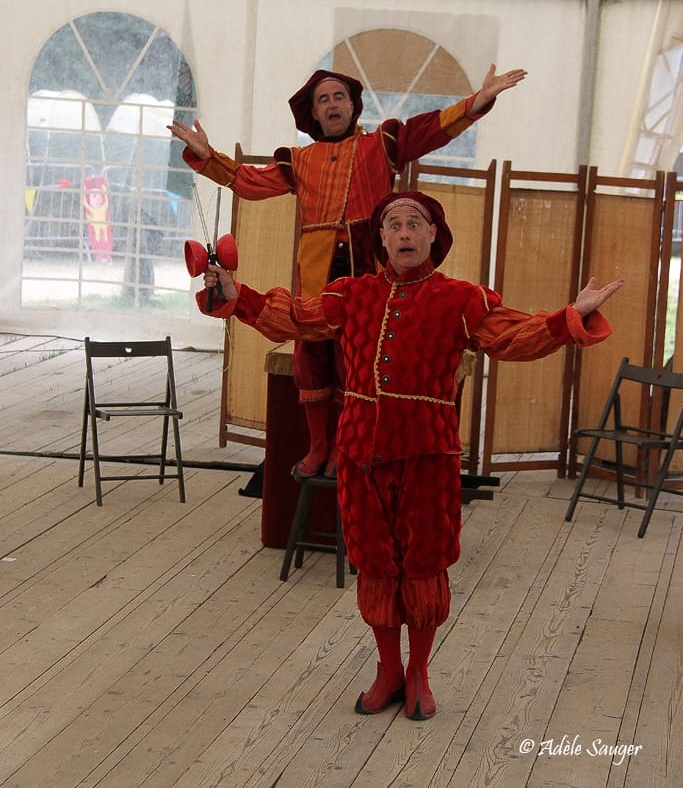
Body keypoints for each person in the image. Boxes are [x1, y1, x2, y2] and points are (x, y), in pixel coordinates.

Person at [194, 190, 623, 721]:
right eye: (393, 224)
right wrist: (237, 294)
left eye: (414, 223)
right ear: (380, 239)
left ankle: (419, 670)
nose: (403, 233)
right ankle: (387, 670)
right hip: (359, 453)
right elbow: (295, 318)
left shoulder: (461, 299)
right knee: (374, 562)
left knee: (422, 564)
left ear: (432, 237)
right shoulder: (351, 294)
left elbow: (513, 336)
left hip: (428, 455)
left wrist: (568, 318)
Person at [170, 65, 527, 479]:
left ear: (353, 106)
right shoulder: (300, 160)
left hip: (368, 272)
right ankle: (319, 443)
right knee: (311, 355)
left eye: (339, 96)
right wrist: (207, 156)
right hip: (318, 271)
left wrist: (476, 103)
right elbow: (251, 182)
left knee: (356, 360)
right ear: (314, 114)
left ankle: (344, 443)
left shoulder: (381, 144)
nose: (332, 104)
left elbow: (429, 130)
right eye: (323, 99)